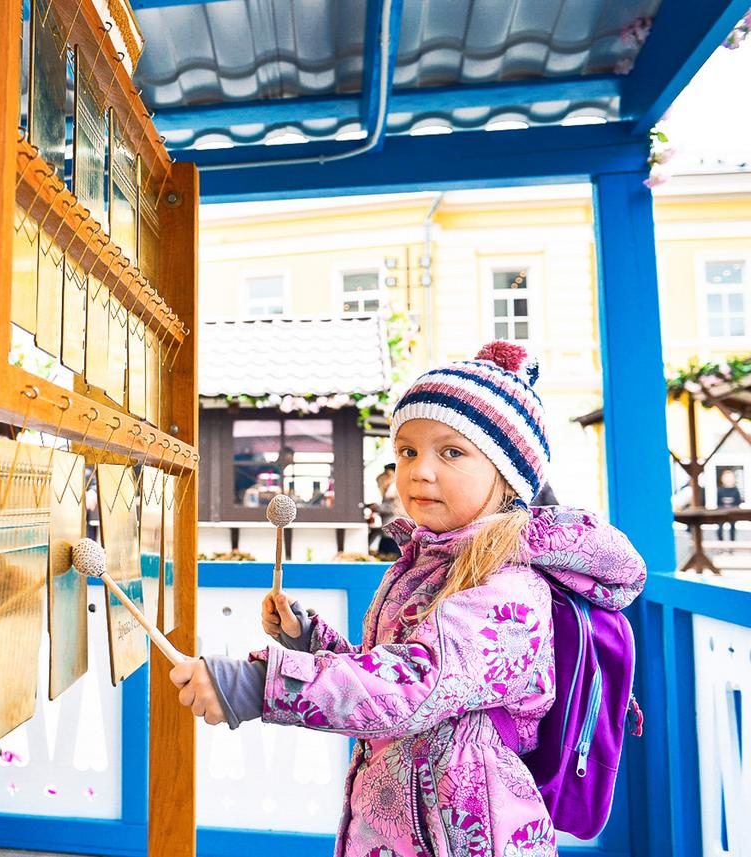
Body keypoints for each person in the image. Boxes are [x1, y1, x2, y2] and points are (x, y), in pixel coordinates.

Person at [169, 341, 646, 856]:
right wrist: (310, 641)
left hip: (467, 837)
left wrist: (262, 684)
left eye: (452, 452)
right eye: (407, 451)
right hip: (401, 824)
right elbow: (392, 672)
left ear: (508, 476)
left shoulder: (510, 587)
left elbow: (417, 685)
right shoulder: (425, 565)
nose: (419, 470)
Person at [716, 469, 742, 540]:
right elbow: (718, 503)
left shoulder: (735, 490)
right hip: (721, 513)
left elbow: (738, 502)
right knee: (720, 529)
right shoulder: (720, 490)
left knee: (732, 529)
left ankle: (732, 543)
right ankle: (720, 543)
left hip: (732, 513)